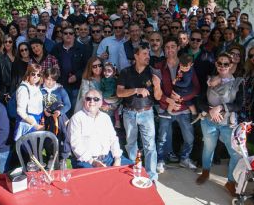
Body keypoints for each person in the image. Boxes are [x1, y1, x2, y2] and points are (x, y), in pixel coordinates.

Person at [196, 53, 244, 197]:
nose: (222, 66)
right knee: (208, 148)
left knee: (235, 153)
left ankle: (230, 181)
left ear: (231, 65)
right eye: (219, 63)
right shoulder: (209, 80)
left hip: (228, 123)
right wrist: (210, 110)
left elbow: (239, 104)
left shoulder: (238, 82)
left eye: (226, 64)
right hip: (209, 121)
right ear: (216, 64)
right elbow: (200, 101)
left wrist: (221, 108)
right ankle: (205, 171)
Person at [154, 38, 199, 174]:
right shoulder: (159, 67)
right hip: (165, 107)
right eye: (167, 47)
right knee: (162, 138)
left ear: (178, 48)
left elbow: (196, 88)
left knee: (189, 137)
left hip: (183, 108)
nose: (170, 50)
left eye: (173, 46)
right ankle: (161, 160)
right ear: (163, 50)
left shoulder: (187, 65)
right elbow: (157, 92)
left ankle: (185, 158)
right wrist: (169, 101)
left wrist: (182, 98)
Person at [117, 45, 159, 181]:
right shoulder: (125, 72)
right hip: (129, 113)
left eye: (148, 53)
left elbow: (158, 97)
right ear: (136, 56)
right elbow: (119, 92)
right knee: (131, 144)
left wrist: (157, 85)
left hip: (147, 113)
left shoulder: (153, 72)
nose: (148, 56)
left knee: (150, 145)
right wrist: (136, 90)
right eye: (144, 53)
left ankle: (152, 177)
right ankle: (136, 172)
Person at [69, 89, 133, 168]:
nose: (92, 101)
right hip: (87, 160)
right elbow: (76, 145)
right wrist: (93, 162)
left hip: (108, 158)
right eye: (88, 98)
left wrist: (117, 159)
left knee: (132, 169)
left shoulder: (105, 117)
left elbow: (113, 139)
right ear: (84, 101)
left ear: (101, 102)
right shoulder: (77, 118)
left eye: (96, 99)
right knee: (95, 179)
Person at [50, 27, 90, 111]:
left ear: (74, 36)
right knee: (61, 109)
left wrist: (77, 76)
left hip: (76, 85)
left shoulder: (82, 48)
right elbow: (51, 64)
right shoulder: (56, 48)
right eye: (65, 33)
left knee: (75, 109)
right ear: (62, 35)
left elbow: (86, 66)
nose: (68, 35)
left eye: (70, 33)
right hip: (60, 84)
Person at [13, 64, 45, 141]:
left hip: (38, 120)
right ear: (28, 73)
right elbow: (20, 111)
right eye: (33, 74)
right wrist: (35, 125)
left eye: (38, 75)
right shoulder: (23, 89)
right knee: (27, 149)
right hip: (27, 123)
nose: (36, 77)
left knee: (36, 147)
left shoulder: (36, 86)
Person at [0, 34, 16, 103]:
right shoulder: (1, 56)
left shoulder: (17, 54)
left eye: (10, 41)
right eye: (5, 42)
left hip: (16, 87)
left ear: (13, 43)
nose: (7, 43)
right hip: (4, 87)